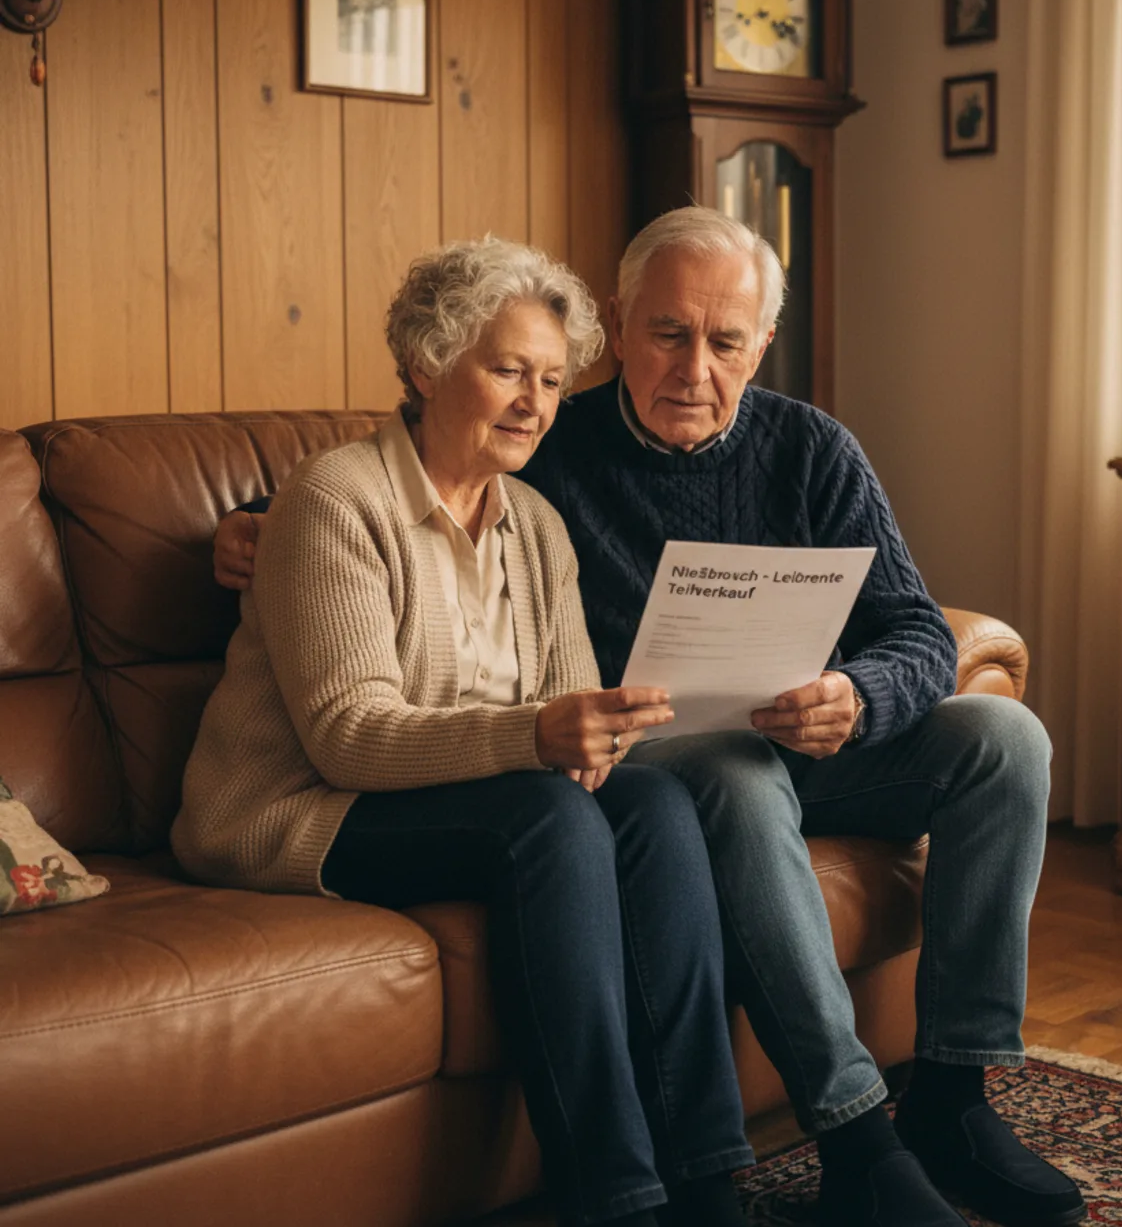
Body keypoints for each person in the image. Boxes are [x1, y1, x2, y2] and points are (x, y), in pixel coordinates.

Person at [216, 209, 1085, 1227]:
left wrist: (857, 697)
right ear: (621, 326)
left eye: (726, 342)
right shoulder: (549, 450)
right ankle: (850, 1133)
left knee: (1006, 739)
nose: (694, 369)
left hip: (808, 741)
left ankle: (949, 1096)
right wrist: (248, 520)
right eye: (669, 333)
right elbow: (407, 471)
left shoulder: (803, 450)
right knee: (708, 779)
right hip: (673, 758)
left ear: (762, 343)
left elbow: (916, 629)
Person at [183, 239, 755, 1227]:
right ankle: (612, 1197)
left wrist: (603, 736)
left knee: (656, 802)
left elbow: (571, 709)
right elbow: (348, 736)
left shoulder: (536, 522)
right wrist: (542, 736)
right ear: (426, 365)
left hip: (474, 796)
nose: (534, 402)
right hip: (304, 809)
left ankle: (706, 1179)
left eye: (550, 379)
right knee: (548, 819)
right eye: (507, 370)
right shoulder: (333, 499)